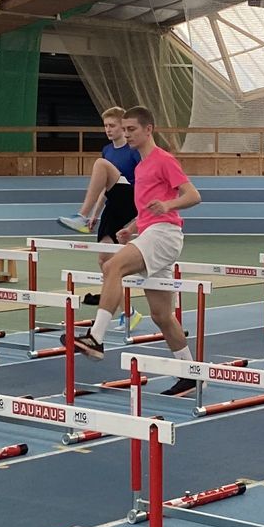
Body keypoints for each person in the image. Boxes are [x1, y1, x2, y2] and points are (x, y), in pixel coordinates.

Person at [67, 106, 199, 395]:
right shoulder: (139, 168)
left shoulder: (163, 159)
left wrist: (168, 205)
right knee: (161, 315)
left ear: (148, 129)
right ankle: (190, 374)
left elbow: (193, 195)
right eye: (124, 130)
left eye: (131, 130)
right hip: (151, 232)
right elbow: (149, 209)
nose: (126, 135)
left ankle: (96, 337)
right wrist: (132, 227)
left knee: (112, 266)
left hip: (165, 234)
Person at [58, 107, 139, 239]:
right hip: (114, 201)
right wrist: (95, 214)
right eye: (105, 126)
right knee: (105, 248)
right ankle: (85, 218)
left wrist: (143, 212)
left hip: (131, 197)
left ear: (123, 126)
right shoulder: (107, 150)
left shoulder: (133, 150)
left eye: (112, 125)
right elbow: (105, 186)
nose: (108, 129)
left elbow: (145, 179)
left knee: (100, 163)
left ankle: (81, 216)